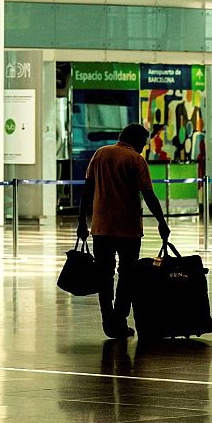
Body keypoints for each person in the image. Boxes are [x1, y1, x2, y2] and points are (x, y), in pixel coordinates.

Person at [77, 123, 170, 339]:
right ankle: (119, 320)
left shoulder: (100, 154)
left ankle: (108, 320)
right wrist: (161, 221)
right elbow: (148, 194)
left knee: (104, 275)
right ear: (137, 141)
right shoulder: (136, 160)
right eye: (144, 144)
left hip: (101, 228)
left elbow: (87, 190)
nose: (144, 148)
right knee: (127, 276)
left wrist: (82, 221)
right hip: (128, 230)